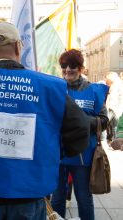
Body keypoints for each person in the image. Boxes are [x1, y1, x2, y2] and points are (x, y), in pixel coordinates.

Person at [0, 22, 90, 220]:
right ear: (18, 46)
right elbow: (80, 128)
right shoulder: (50, 86)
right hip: (29, 195)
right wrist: (49, 151)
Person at [51, 49, 109, 220]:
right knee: (57, 199)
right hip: (58, 154)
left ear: (81, 68)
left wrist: (81, 121)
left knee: (84, 198)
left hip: (84, 155)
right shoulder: (54, 89)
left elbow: (104, 120)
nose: (68, 69)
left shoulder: (94, 91)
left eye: (73, 66)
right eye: (64, 66)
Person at [105, 72, 123, 141]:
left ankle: (115, 140)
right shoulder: (118, 83)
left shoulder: (116, 84)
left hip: (114, 108)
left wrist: (109, 109)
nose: (107, 81)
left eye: (107, 79)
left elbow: (113, 98)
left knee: (107, 124)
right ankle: (114, 140)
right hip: (115, 108)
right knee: (114, 126)